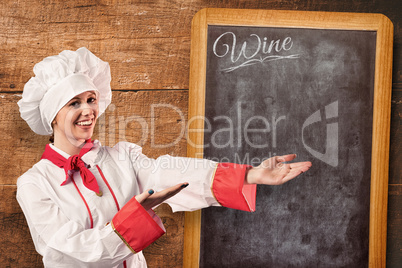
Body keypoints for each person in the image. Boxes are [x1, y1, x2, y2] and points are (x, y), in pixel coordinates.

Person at [16, 47, 312, 268]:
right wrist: (132, 221)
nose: (88, 110)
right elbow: (67, 252)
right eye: (74, 103)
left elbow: (171, 172)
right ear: (52, 116)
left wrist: (249, 175)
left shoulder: (120, 157)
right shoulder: (34, 184)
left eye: (91, 99)